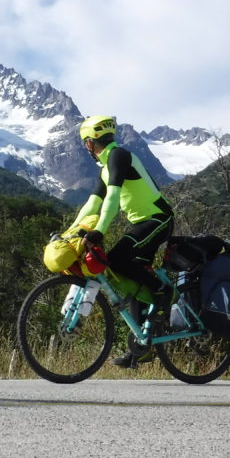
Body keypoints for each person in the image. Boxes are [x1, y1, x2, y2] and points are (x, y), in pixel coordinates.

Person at [73, 114, 175, 367]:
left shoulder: (118, 156)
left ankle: (164, 293)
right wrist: (71, 230)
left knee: (117, 260)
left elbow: (112, 198)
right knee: (130, 279)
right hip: (142, 222)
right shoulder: (107, 166)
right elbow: (93, 203)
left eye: (86, 142)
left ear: (89, 142)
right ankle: (143, 345)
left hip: (157, 219)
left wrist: (99, 231)